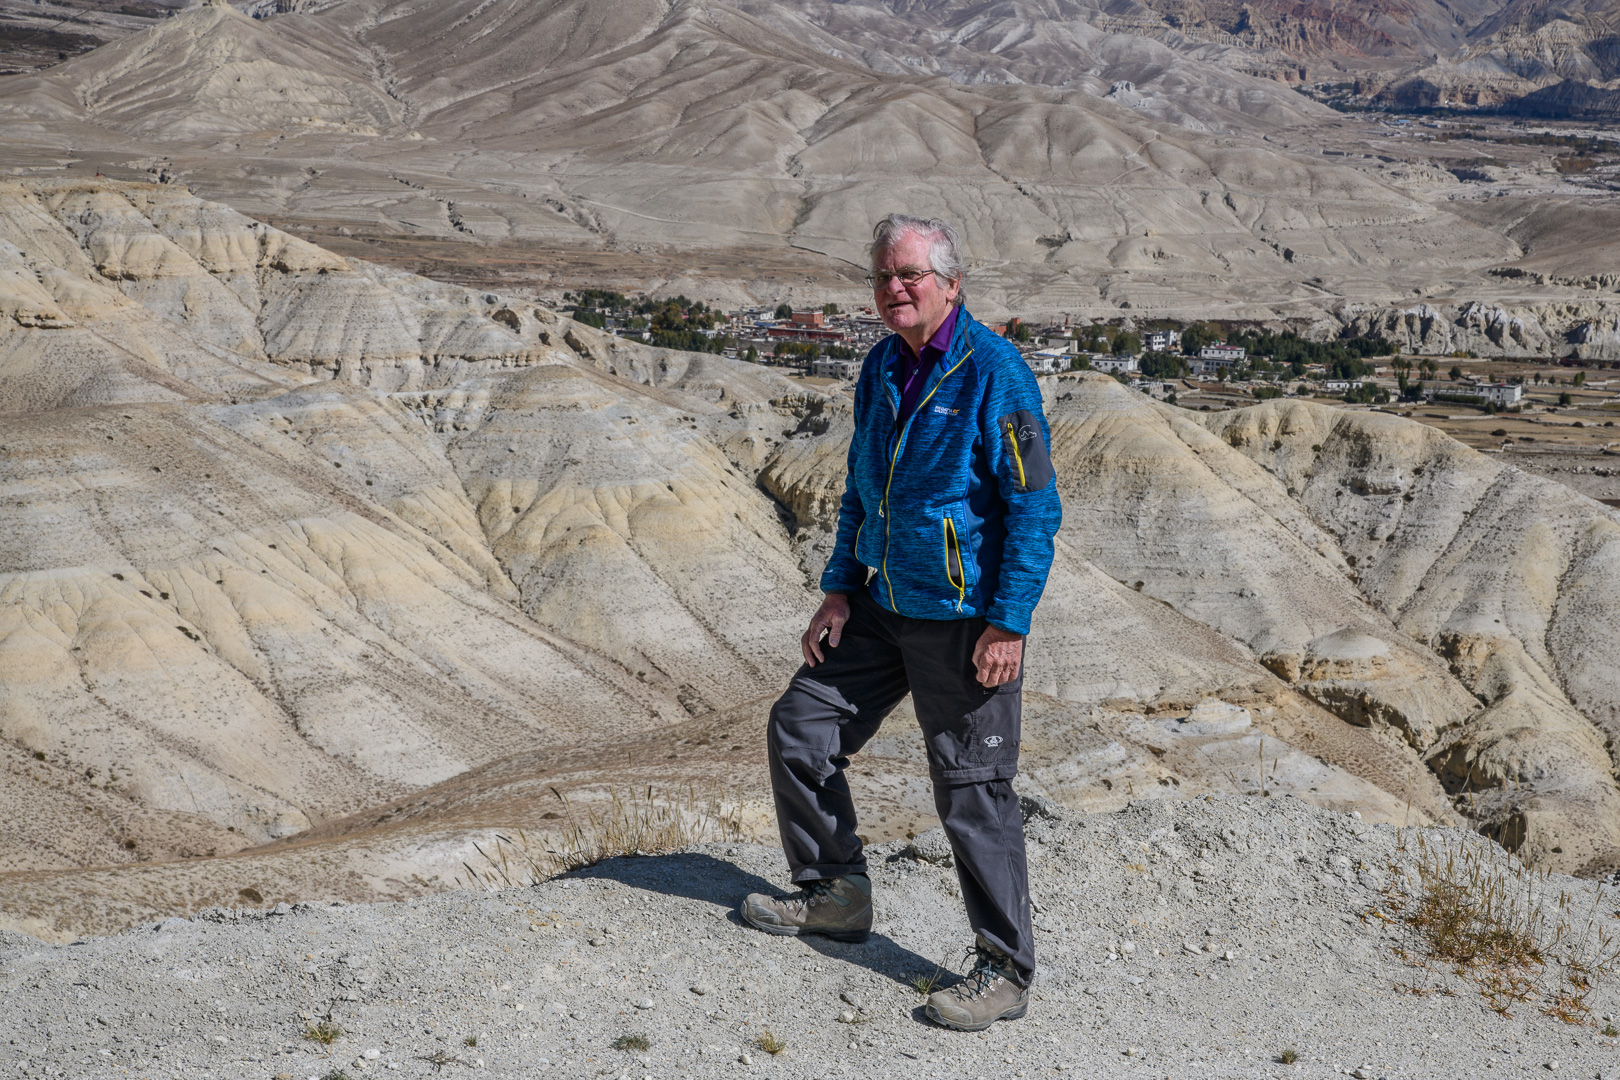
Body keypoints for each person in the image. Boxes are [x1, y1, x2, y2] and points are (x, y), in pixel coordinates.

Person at [739, 213, 1061, 1032]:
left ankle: (1004, 969)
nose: (894, 289)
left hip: (963, 619)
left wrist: (1008, 622)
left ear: (951, 283)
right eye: (883, 276)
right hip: (882, 603)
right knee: (802, 726)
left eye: (910, 275)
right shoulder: (882, 364)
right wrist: (839, 589)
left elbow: (1034, 505)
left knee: (972, 789)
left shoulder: (996, 373)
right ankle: (835, 892)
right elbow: (861, 485)